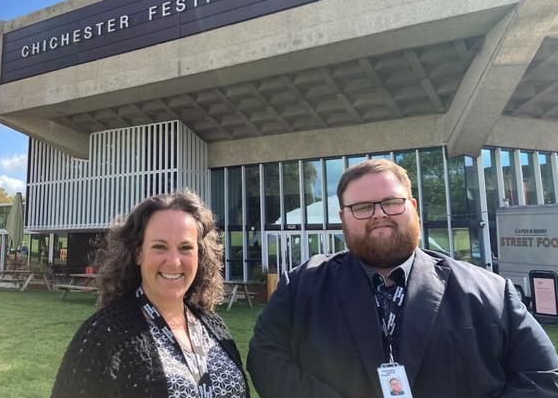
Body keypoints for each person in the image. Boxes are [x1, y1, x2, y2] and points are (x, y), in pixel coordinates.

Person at [248, 159, 558, 398]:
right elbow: (265, 357)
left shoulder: (489, 291)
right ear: (343, 218)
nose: (378, 214)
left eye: (391, 202)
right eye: (362, 207)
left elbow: (542, 374)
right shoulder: (302, 286)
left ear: (412, 207)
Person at [51, 191, 249, 398]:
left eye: (185, 248)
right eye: (159, 247)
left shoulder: (214, 326)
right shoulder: (103, 335)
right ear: (138, 254)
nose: (173, 261)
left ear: (200, 256)